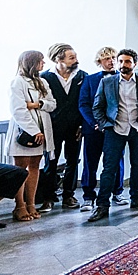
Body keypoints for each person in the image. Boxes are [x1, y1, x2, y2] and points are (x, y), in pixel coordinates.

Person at [89, 49, 138, 222]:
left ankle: (137, 198)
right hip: (115, 130)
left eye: (127, 62)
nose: (123, 65)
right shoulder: (107, 82)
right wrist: (106, 125)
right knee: (109, 168)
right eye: (120, 61)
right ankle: (102, 205)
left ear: (134, 64)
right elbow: (97, 107)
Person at [7, 50, 57, 222]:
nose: (43, 64)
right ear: (31, 63)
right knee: (20, 169)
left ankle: (31, 204)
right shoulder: (17, 82)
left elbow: (52, 104)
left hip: (43, 128)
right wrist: (33, 130)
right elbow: (18, 109)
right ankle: (19, 205)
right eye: (40, 61)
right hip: (25, 131)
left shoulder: (42, 81)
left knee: (35, 166)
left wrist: (36, 104)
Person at [36, 43, 84, 211]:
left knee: (73, 161)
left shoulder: (82, 77)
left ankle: (68, 196)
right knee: (51, 162)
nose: (76, 60)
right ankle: (48, 197)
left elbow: (85, 103)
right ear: (58, 59)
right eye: (72, 58)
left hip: (75, 127)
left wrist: (82, 125)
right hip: (52, 127)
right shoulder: (44, 78)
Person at [78, 47, 121, 212]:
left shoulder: (122, 78)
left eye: (113, 58)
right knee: (90, 162)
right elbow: (83, 104)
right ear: (99, 62)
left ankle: (117, 192)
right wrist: (94, 123)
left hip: (115, 127)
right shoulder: (90, 80)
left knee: (116, 161)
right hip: (93, 128)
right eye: (106, 59)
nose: (110, 61)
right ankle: (88, 196)